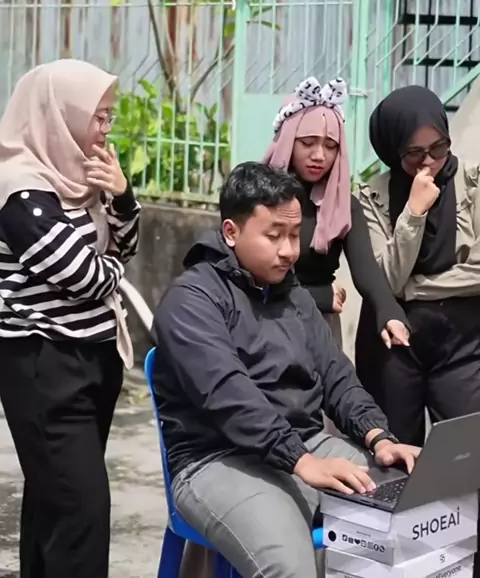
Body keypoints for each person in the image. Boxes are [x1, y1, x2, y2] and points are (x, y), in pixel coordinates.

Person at [153, 162, 419, 578]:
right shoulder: (192, 300)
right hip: (216, 458)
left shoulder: (292, 295)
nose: (289, 251)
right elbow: (229, 396)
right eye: (274, 235)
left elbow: (335, 374)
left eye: (295, 235)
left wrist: (378, 436)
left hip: (303, 444)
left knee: (410, 515)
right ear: (231, 232)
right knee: (290, 566)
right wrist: (301, 461)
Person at [0, 59, 140, 578]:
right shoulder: (19, 190)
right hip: (45, 365)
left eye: (108, 116)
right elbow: (85, 276)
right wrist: (113, 271)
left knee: (53, 504)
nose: (104, 129)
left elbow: (128, 245)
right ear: (59, 115)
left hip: (89, 360)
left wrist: (122, 196)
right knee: (82, 513)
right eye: (97, 117)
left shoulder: (80, 177)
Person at [358, 85, 480, 445]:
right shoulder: (373, 197)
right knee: (395, 453)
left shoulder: (473, 184)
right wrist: (413, 213)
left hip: (464, 343)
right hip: (393, 346)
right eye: (414, 153)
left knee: (463, 450)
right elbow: (386, 280)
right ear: (393, 149)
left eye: (438, 148)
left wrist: (414, 288)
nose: (429, 162)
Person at [263, 76, 410, 355]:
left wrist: (389, 312)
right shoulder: (257, 197)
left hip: (320, 331)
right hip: (264, 322)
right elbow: (252, 276)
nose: (319, 155)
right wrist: (319, 295)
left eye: (331, 146)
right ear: (288, 140)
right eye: (308, 142)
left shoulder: (344, 205)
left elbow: (367, 272)